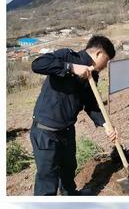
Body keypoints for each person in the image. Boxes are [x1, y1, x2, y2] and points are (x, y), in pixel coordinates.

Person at [30, 35, 117, 196]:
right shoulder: (67, 56)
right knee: (47, 177)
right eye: (107, 59)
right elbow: (37, 64)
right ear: (99, 53)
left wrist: (106, 125)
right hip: (46, 130)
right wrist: (70, 67)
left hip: (67, 130)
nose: (106, 65)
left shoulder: (93, 76)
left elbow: (90, 103)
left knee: (69, 169)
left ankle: (70, 195)